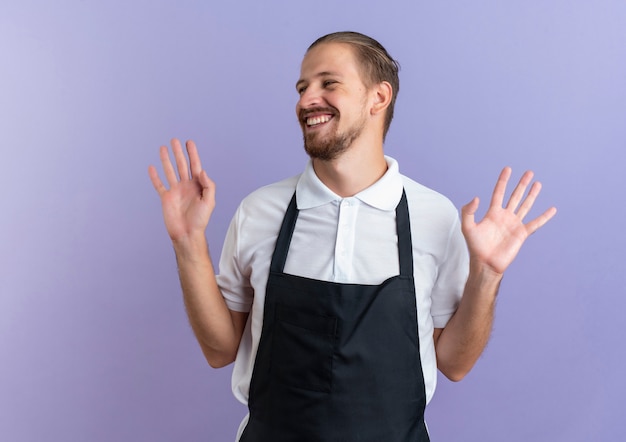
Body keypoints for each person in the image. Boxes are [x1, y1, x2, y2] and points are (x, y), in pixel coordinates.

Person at [148, 31, 556, 441]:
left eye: (329, 83)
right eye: (302, 87)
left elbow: (455, 363)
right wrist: (188, 242)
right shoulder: (260, 211)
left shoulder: (434, 217)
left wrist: (486, 274)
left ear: (379, 98)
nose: (307, 99)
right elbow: (220, 351)